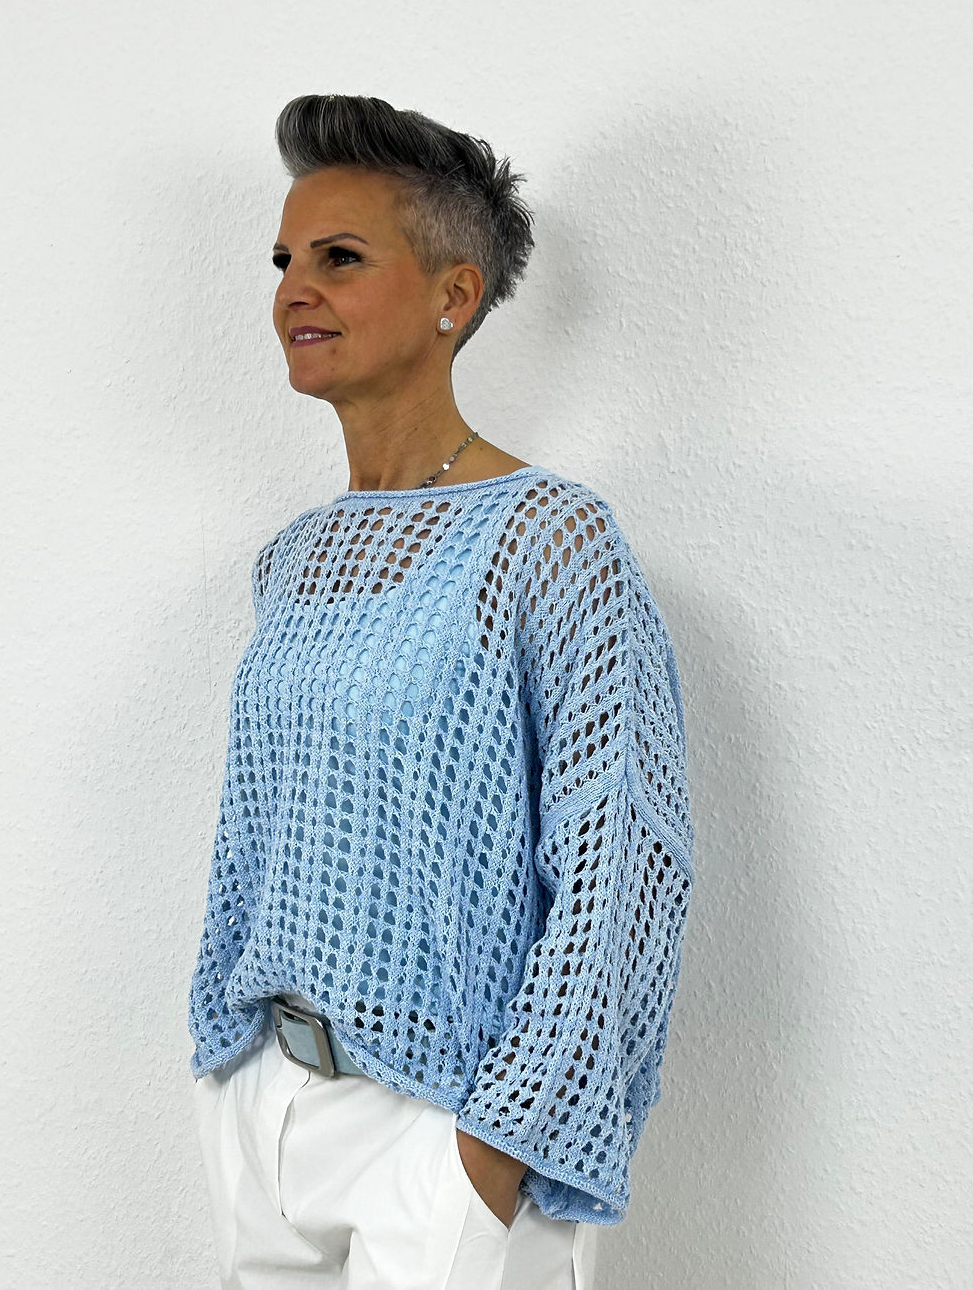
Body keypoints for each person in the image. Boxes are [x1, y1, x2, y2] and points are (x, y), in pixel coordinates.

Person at [187, 93, 696, 1290]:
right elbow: (264, 833)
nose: (294, 290)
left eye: (339, 258)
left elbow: (619, 871)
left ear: (451, 295)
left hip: (441, 1133)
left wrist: (490, 1152)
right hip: (267, 1111)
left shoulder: (547, 539)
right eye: (284, 261)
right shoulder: (292, 559)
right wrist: (229, 1064)